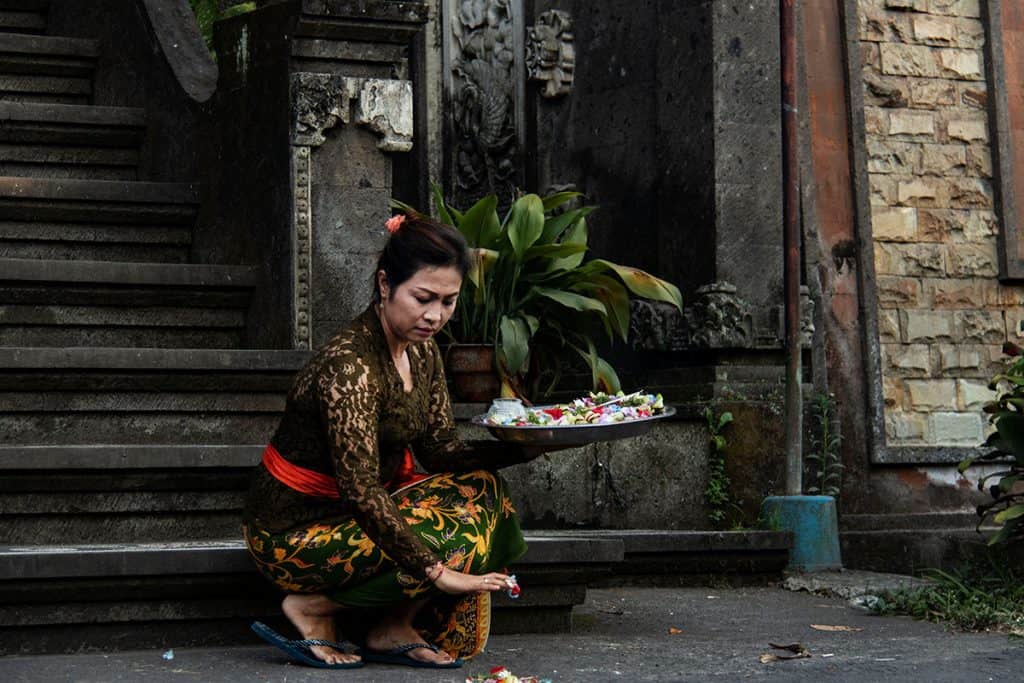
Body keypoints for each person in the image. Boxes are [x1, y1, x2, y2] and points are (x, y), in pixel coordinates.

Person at [243, 212, 546, 670]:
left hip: (358, 515)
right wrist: (437, 573)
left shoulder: (422, 350)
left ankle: (390, 626)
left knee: (484, 490)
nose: (434, 315)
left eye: (448, 301)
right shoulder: (351, 368)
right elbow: (361, 491)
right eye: (423, 298)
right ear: (385, 285)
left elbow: (440, 449)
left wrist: (526, 445)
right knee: (445, 539)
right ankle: (313, 607)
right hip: (295, 533)